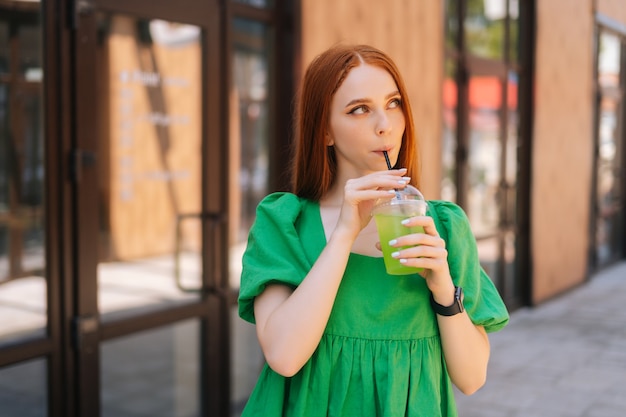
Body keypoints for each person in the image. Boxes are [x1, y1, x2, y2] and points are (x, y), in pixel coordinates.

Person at [238, 44, 509, 416]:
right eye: (359, 109)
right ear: (325, 131)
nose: (385, 124)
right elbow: (284, 357)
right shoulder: (285, 222)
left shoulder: (443, 225)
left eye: (393, 103)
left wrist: (443, 288)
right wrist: (344, 234)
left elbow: (472, 377)